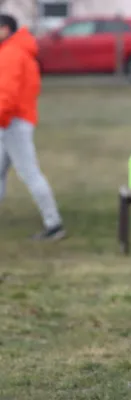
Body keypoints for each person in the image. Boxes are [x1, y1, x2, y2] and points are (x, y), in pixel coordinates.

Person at [0, 14, 64, 240]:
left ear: (5, 29)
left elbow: (6, 95)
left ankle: (53, 223)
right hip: (14, 121)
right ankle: (53, 222)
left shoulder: (10, 54)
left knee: (30, 174)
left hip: (11, 122)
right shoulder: (20, 51)